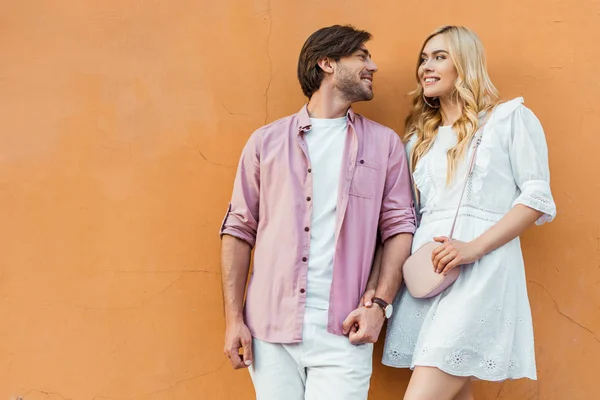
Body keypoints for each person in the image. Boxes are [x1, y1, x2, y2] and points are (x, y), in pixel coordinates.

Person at [219, 25, 416, 399]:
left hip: (344, 330)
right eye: (361, 56)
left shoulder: (384, 144)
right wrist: (233, 320)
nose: (371, 66)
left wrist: (378, 306)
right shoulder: (266, 143)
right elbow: (238, 229)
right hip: (270, 329)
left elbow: (399, 228)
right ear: (327, 63)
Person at [381, 25, 557, 400]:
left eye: (440, 57)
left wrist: (473, 248)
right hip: (428, 274)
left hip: (482, 271)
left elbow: (536, 198)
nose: (426, 67)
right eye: (424, 59)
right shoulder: (416, 140)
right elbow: (409, 216)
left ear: (465, 63)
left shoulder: (509, 119)